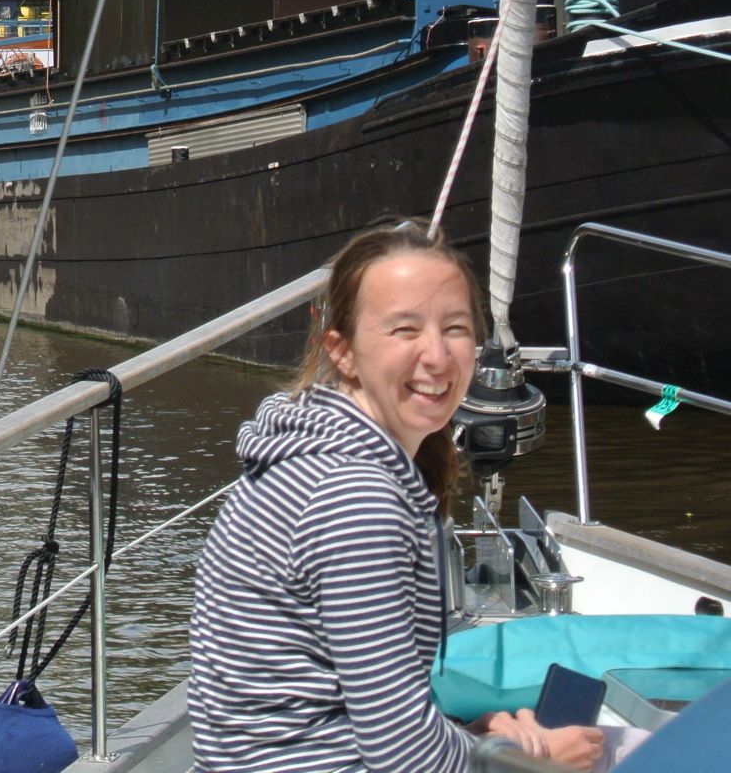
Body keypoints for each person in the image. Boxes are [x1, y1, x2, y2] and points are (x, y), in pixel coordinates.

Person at [187, 222, 604, 772]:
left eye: (454, 328)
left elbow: (368, 715)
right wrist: (533, 761)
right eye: (404, 330)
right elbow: (402, 753)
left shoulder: (312, 454)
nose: (437, 356)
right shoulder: (354, 498)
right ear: (343, 351)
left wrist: (468, 737)